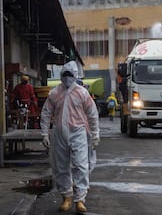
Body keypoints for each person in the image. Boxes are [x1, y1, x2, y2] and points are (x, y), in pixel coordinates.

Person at [40, 61, 100, 213]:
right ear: (61, 76)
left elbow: (92, 114)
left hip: (78, 132)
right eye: (65, 75)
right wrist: (44, 133)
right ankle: (66, 197)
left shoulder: (82, 93)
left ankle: (80, 199)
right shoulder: (54, 93)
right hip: (59, 133)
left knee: (80, 165)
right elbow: (46, 113)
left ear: (75, 76)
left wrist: (95, 134)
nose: (67, 78)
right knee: (61, 166)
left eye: (70, 75)